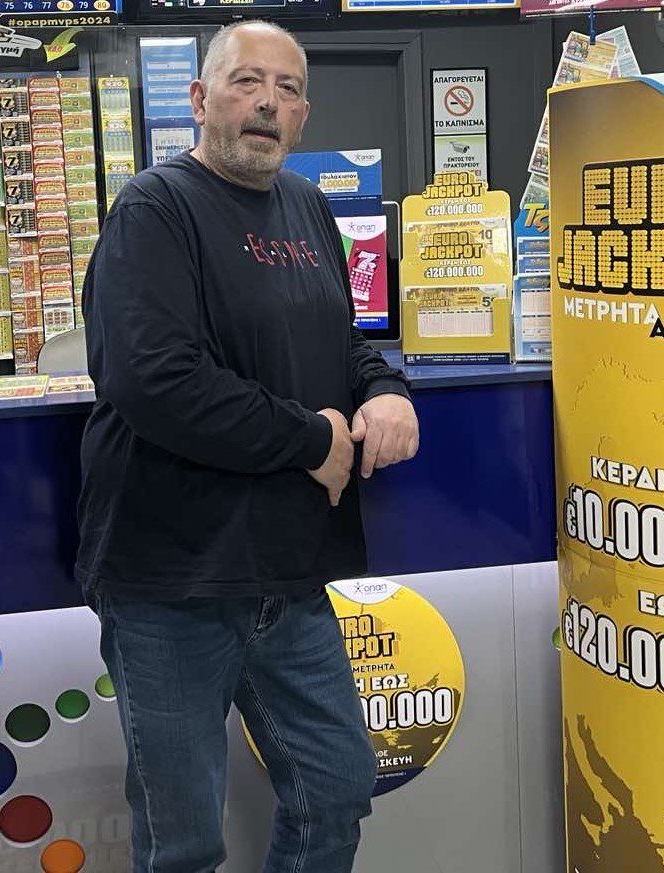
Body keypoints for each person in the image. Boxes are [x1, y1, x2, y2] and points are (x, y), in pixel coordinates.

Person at [77, 19, 420, 873]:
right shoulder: (154, 209)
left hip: (289, 572)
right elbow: (154, 380)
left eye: (288, 88)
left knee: (337, 785)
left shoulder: (307, 206)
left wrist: (384, 388)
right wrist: (309, 438)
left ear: (303, 116)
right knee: (183, 841)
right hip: (172, 579)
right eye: (246, 82)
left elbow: (343, 341)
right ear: (200, 100)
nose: (268, 102)